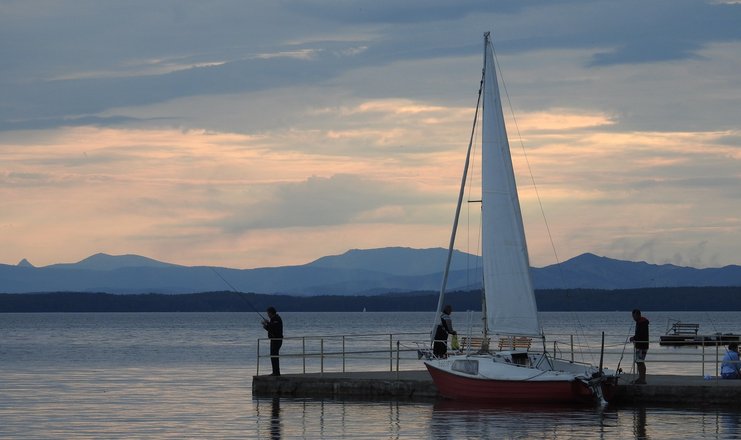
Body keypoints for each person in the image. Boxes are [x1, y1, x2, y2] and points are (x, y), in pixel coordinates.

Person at [629, 308, 649, 384]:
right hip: (641, 345)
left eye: (634, 316)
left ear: (637, 315)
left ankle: (642, 379)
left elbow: (641, 335)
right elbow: (639, 334)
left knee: (640, 362)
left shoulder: (642, 323)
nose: (633, 318)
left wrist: (634, 338)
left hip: (642, 345)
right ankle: (641, 378)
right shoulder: (640, 322)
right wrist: (635, 338)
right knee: (639, 361)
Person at [262, 306, 283, 376]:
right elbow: (272, 327)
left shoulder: (276, 319)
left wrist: (266, 325)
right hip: (274, 340)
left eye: (268, 313)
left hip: (277, 340)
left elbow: (273, 329)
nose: (267, 315)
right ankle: (275, 372)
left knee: (274, 356)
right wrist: (267, 324)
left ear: (271, 313)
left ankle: (276, 372)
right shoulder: (273, 319)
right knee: (273, 356)